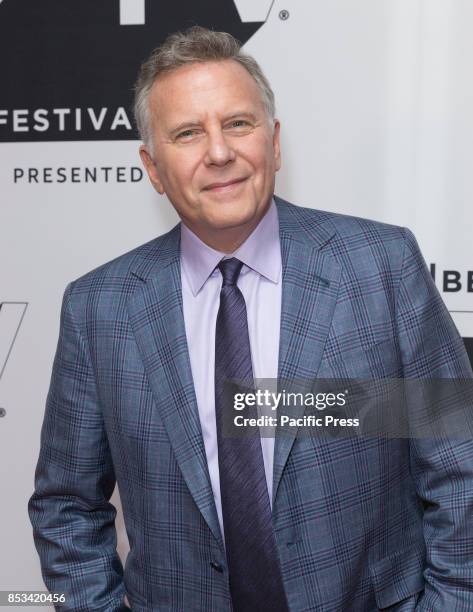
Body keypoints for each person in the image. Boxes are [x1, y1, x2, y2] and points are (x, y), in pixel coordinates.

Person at [28, 26, 473, 612]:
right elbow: (66, 507)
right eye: (188, 133)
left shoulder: (379, 268)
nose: (218, 152)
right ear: (153, 167)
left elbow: (457, 462)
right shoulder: (100, 308)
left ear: (275, 142)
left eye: (238, 123)